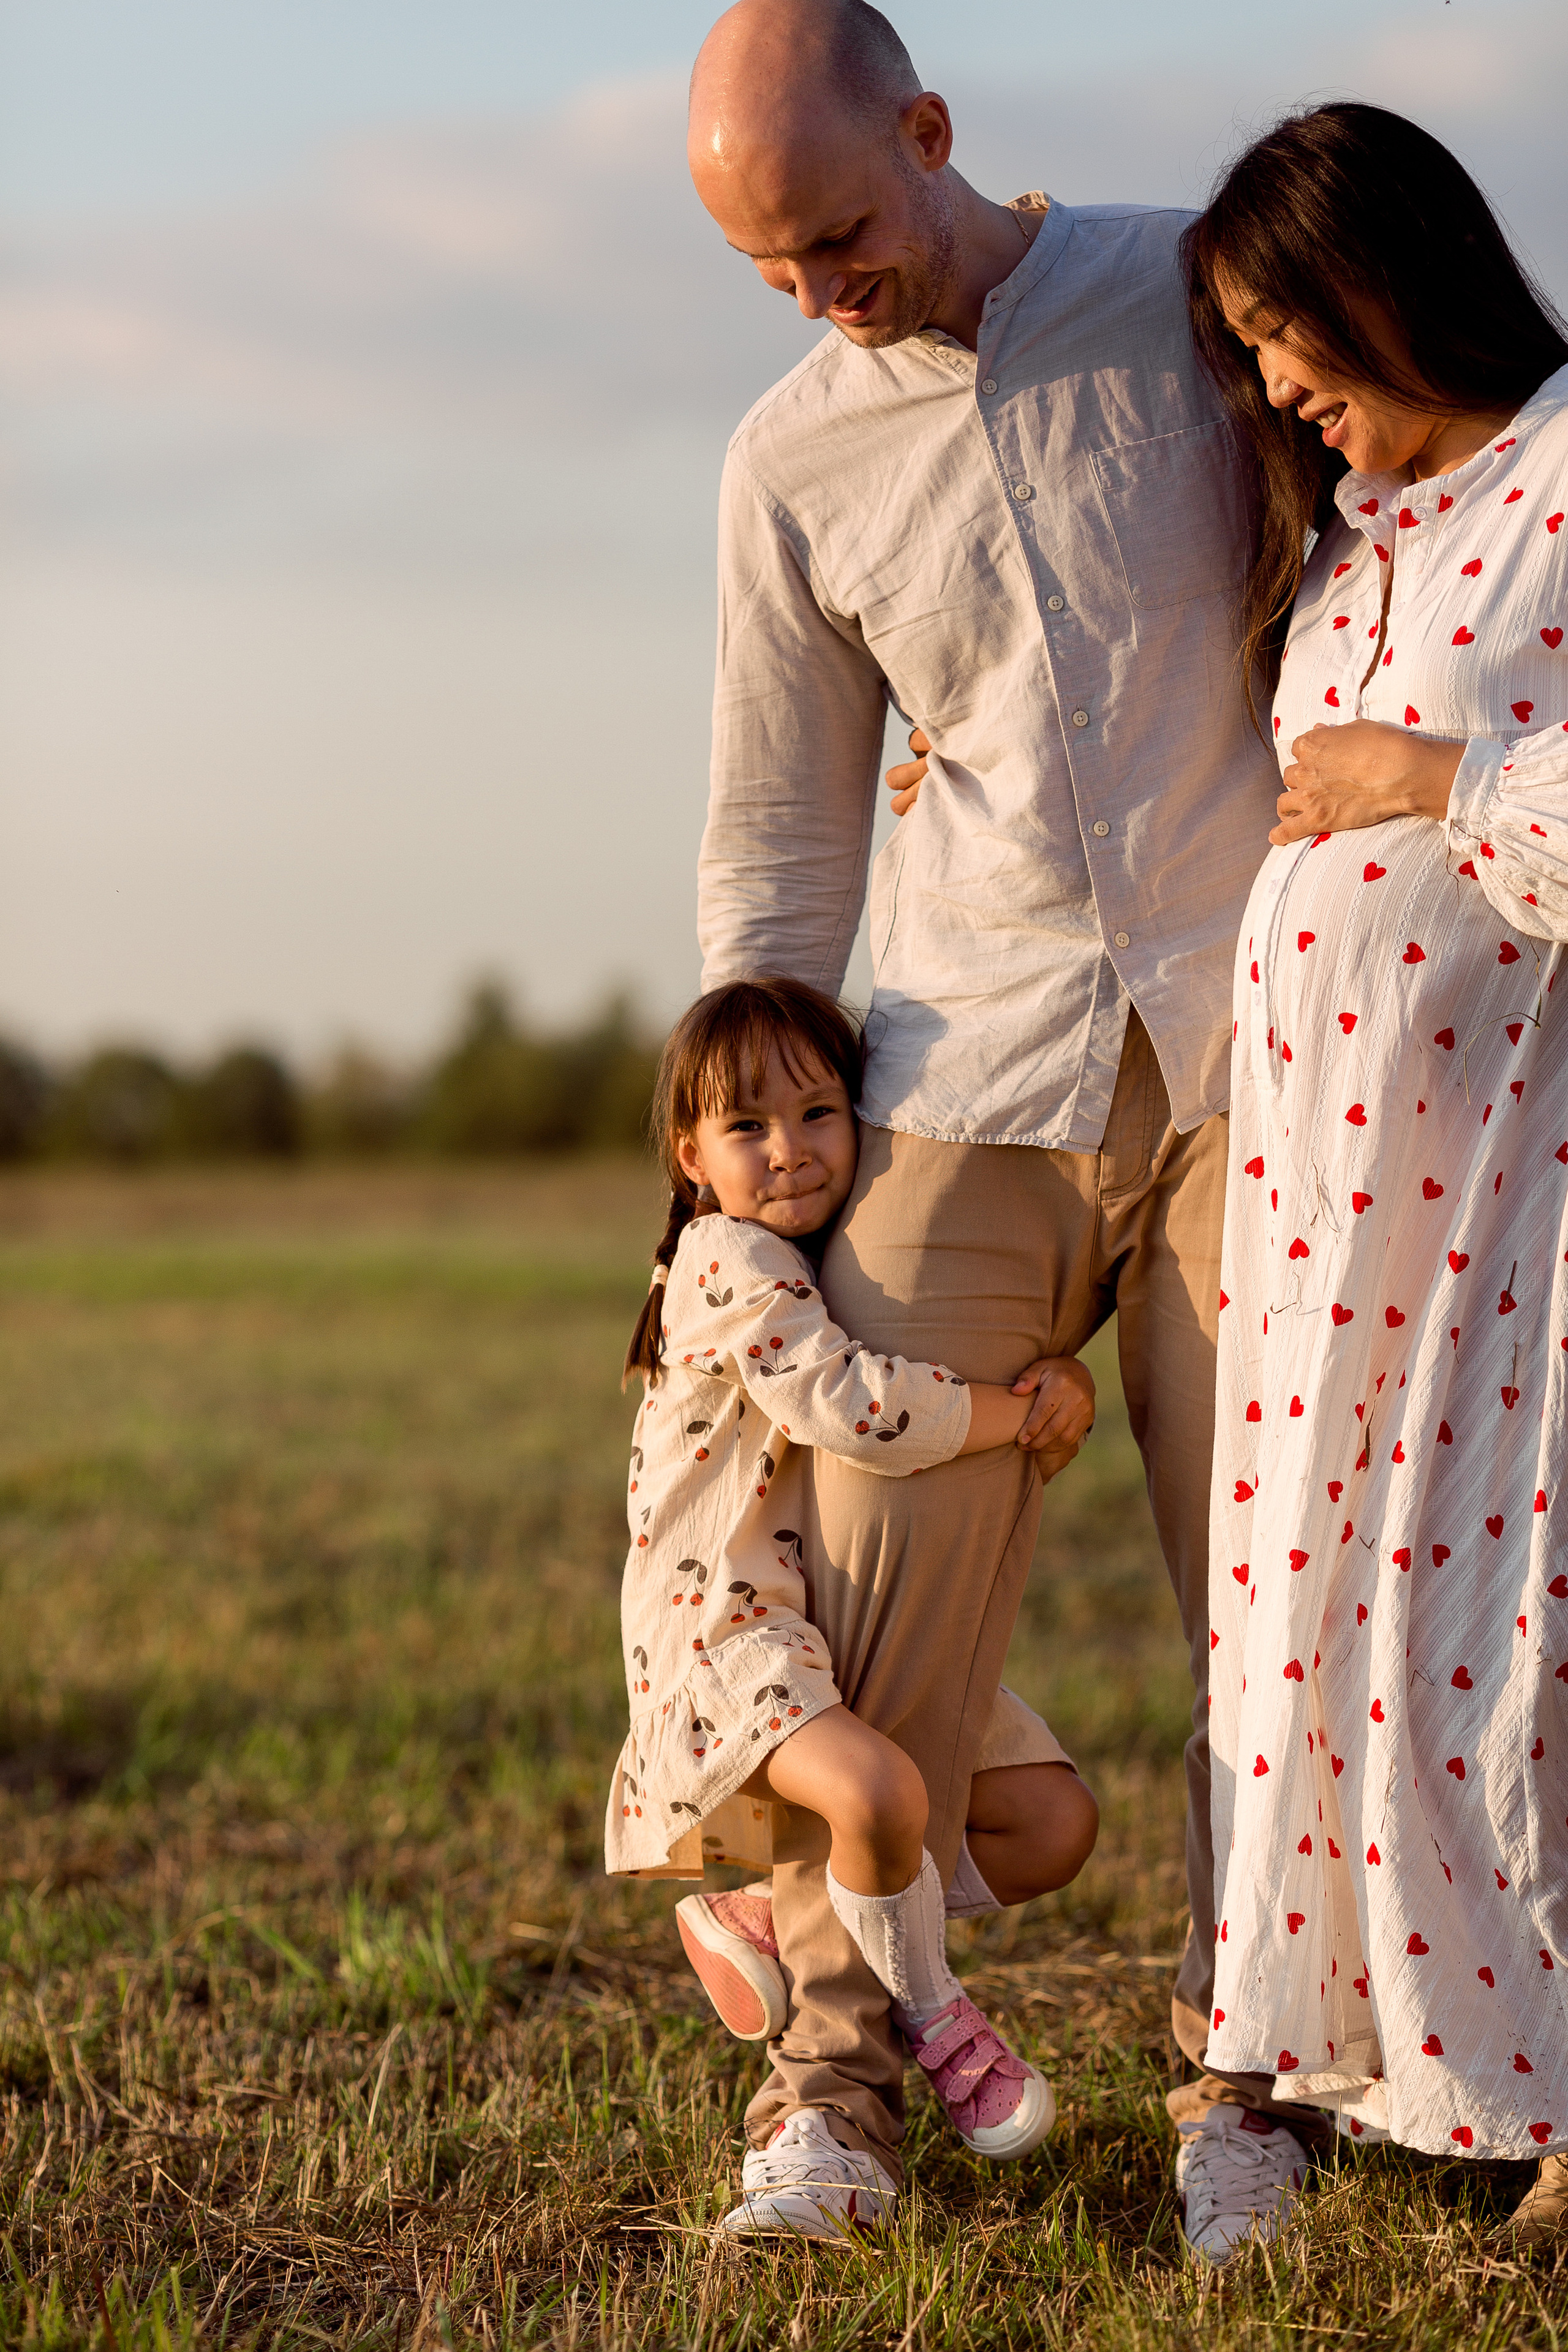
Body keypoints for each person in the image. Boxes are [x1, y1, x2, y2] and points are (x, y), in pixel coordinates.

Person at [687, 0, 1293, 2247]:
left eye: (837, 238)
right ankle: (833, 2100)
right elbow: (780, 840)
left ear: (931, 131)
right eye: (768, 271)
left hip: (1260, 1044)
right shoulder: (789, 460)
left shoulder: (1194, 292)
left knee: (1276, 1596)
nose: (816, 295)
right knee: (870, 1594)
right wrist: (730, 1198)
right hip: (964, 1061)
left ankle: (1252, 2083)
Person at [1183, 101, 1568, 2261]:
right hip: (1335, 1210)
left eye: (1284, 330)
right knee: (1339, 1642)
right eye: (1243, 349)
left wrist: (1433, 778)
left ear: (1386, 271)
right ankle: (1394, 2071)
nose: (1273, 383)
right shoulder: (1346, 549)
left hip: (1517, 1189)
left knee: (1504, 1640)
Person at [606, 976, 1098, 2233]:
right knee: (878, 1795)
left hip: (818, 1614)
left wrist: (1058, 1384)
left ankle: (774, 1913)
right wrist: (1013, 1413)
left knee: (1050, 1822)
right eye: (747, 1128)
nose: (788, 1150)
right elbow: (851, 1407)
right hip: (729, 1628)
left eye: (818, 1113)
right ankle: (933, 2014)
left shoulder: (827, 1253)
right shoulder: (726, 1257)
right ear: (690, 1157)